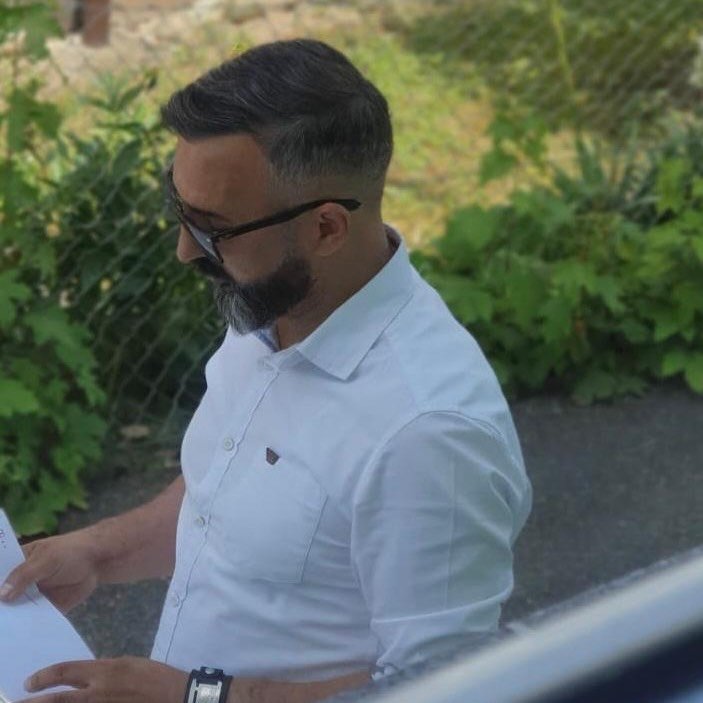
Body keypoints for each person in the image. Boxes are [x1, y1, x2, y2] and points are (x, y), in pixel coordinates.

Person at [1, 39, 531, 703]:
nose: (185, 250)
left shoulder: (428, 435)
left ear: (326, 228)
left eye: (213, 228)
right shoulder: (275, 304)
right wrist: (96, 553)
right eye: (179, 209)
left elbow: (446, 689)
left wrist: (194, 696)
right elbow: (225, 499)